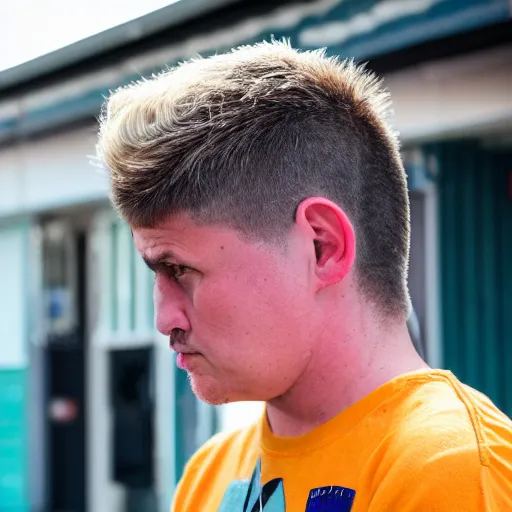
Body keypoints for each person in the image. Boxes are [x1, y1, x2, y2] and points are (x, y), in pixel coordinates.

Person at [96, 40, 512, 511]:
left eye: (180, 269)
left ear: (322, 246)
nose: (164, 318)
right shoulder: (210, 474)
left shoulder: (449, 470)